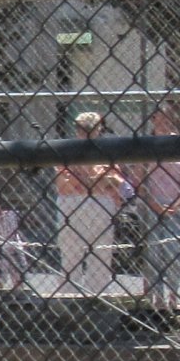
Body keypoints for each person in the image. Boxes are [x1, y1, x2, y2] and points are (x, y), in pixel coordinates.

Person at [53, 111, 128, 298]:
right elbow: (64, 184)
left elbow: (117, 181)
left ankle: (98, 297)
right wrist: (98, 182)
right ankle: (70, 299)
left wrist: (87, 181)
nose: (86, 132)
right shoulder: (68, 150)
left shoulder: (106, 150)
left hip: (99, 204)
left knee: (100, 256)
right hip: (74, 204)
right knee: (71, 256)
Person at [136, 105, 180, 312]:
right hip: (152, 204)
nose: (164, 121)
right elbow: (140, 180)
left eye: (168, 117)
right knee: (153, 251)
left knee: (174, 252)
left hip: (175, 204)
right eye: (159, 117)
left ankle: (174, 296)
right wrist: (155, 205)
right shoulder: (147, 143)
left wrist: (178, 203)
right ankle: (156, 298)